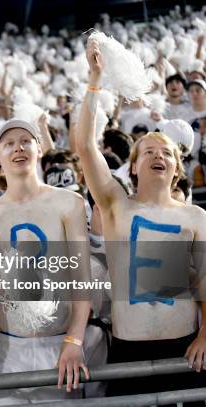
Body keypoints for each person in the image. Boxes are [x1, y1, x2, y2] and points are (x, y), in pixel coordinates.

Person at [75, 38, 206, 398]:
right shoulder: (117, 205)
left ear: (177, 167)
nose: (157, 155)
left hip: (185, 349)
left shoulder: (195, 216)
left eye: (166, 151)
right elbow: (85, 146)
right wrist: (95, 81)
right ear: (133, 166)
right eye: (148, 150)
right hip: (128, 349)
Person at [0, 119, 92, 405]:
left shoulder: (70, 203)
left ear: (39, 149)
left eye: (25, 141)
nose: (18, 148)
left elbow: (82, 281)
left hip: (60, 344)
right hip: (9, 347)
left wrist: (74, 341)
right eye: (9, 144)